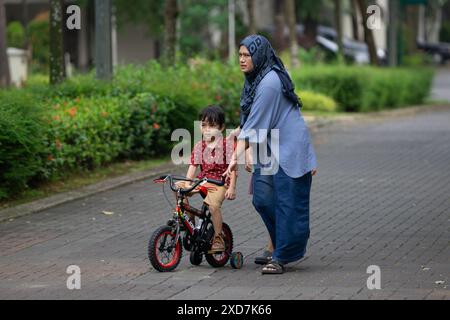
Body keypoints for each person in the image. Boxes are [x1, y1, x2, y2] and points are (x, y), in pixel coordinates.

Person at [224, 35, 317, 274]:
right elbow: (252, 119)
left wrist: (234, 158)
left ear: (259, 55)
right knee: (263, 198)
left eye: (247, 55)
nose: (242, 60)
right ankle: (281, 243)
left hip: (288, 147)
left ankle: (281, 256)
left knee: (287, 201)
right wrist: (235, 134)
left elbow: (254, 125)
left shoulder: (269, 83)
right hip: (268, 145)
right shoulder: (255, 79)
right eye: (240, 55)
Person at [179, 105, 237, 253]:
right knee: (178, 188)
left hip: (220, 182)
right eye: (203, 125)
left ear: (222, 127)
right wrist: (187, 184)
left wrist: (231, 188)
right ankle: (188, 220)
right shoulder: (199, 145)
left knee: (213, 206)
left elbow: (233, 169)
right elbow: (193, 166)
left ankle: (218, 237)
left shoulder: (226, 145)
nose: (207, 129)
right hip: (203, 181)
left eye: (212, 126)